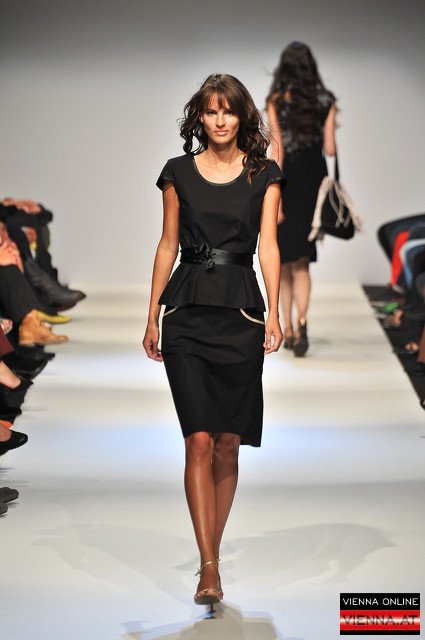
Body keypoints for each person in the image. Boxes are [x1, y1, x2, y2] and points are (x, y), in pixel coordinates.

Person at [143, 73, 285, 610]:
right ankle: (209, 566)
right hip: (188, 312)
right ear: (199, 117)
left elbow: (268, 246)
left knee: (228, 443)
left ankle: (212, 551)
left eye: (228, 111)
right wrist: (152, 314)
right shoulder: (177, 172)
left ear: (242, 116)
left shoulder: (263, 174)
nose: (220, 120)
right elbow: (167, 244)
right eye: (210, 111)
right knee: (198, 440)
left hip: (241, 312)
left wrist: (274, 313)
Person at [266, 41, 337, 356]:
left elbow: (277, 150)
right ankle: (303, 320)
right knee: (303, 262)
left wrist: (276, 195)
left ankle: (289, 329)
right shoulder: (326, 100)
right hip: (313, 185)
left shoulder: (276, 101)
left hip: (289, 182)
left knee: (283, 264)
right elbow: (330, 149)